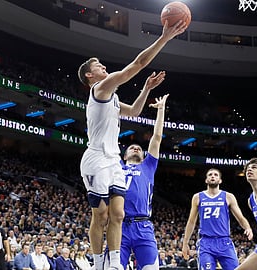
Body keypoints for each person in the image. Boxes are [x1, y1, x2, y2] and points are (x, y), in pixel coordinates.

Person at [77, 17, 187, 270]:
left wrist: (146, 89)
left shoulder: (112, 99)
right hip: (95, 158)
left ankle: (114, 263)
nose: (103, 66)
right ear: (90, 75)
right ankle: (96, 263)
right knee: (101, 215)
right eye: (99, 66)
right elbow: (137, 65)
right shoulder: (100, 90)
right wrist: (165, 38)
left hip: (113, 159)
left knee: (118, 214)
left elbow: (136, 112)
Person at [119, 94, 169, 270]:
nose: (136, 148)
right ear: (124, 156)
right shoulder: (116, 165)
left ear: (143, 155)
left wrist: (161, 110)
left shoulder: (148, 166)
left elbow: (156, 137)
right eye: (132, 147)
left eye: (139, 149)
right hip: (119, 225)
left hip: (143, 226)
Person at [182, 168, 253, 270]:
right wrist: (185, 243)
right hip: (206, 242)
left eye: (216, 175)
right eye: (210, 174)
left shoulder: (228, 196)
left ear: (220, 180)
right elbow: (191, 221)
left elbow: (240, 217)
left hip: (224, 241)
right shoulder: (197, 197)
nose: (213, 176)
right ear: (206, 180)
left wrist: (248, 227)